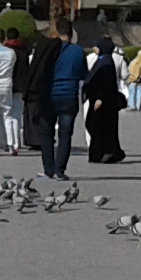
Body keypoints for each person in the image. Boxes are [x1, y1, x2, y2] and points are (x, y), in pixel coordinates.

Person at [31, 30, 86, 179]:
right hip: (69, 95)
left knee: (46, 133)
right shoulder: (78, 51)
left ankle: (48, 169)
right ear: (72, 34)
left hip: (49, 95)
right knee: (65, 134)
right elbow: (83, 73)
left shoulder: (48, 49)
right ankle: (60, 170)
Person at [82, 40, 125, 165]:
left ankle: (108, 152)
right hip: (100, 101)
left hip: (103, 102)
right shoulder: (103, 61)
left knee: (99, 126)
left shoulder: (106, 64)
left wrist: (100, 98)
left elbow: (105, 84)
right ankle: (100, 153)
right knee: (97, 126)